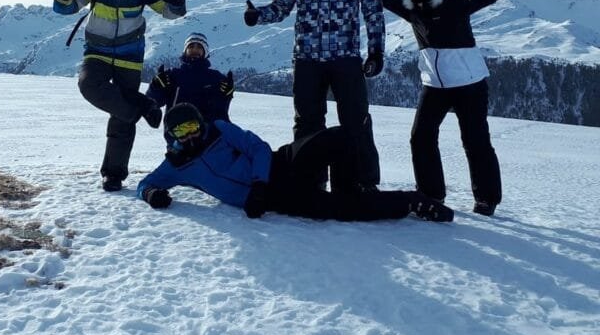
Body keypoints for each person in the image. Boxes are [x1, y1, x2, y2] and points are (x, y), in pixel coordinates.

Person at [380, 0, 572, 216]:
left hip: (469, 85)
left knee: (475, 140)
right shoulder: (413, 9)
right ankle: (431, 194)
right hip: (434, 85)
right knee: (420, 137)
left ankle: (487, 199)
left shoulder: (458, 1)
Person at [243, 0, 384, 190]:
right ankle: (308, 181)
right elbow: (281, 6)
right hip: (308, 58)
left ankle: (362, 182)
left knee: (355, 120)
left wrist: (376, 51)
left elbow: (373, 10)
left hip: (345, 57)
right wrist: (259, 15)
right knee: (308, 122)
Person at [136, 103, 453, 222]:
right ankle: (411, 203)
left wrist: (259, 182)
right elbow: (145, 184)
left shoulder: (219, 130)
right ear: (170, 137)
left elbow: (257, 147)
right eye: (181, 132)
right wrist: (153, 195)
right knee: (335, 210)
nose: (191, 136)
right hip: (278, 197)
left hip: (280, 163)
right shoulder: (175, 166)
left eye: (193, 127)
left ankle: (353, 188)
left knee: (339, 136)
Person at [54, 0, 187, 191]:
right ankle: (142, 104)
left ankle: (114, 174)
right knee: (89, 85)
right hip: (97, 52)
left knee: (122, 115)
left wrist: (177, 0)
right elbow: (63, 8)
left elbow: (172, 13)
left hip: (130, 56)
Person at [146, 32, 234, 144]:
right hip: (178, 137)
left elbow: (220, 111)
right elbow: (152, 102)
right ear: (185, 50)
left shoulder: (216, 78)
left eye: (199, 47)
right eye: (191, 46)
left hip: (210, 139)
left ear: (205, 52)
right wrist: (156, 86)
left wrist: (227, 95)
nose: (194, 50)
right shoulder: (173, 75)